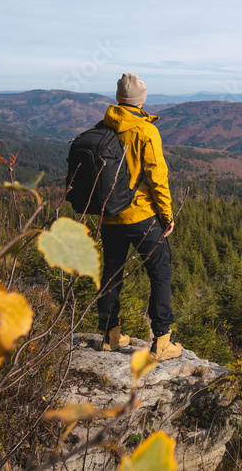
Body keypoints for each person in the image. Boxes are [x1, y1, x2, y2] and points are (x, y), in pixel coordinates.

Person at [97, 73, 182, 361]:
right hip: (142, 216)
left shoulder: (104, 126)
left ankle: (110, 337)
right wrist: (166, 214)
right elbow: (157, 177)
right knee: (160, 275)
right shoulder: (146, 132)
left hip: (110, 217)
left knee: (111, 274)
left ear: (119, 98)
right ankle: (162, 341)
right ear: (141, 101)